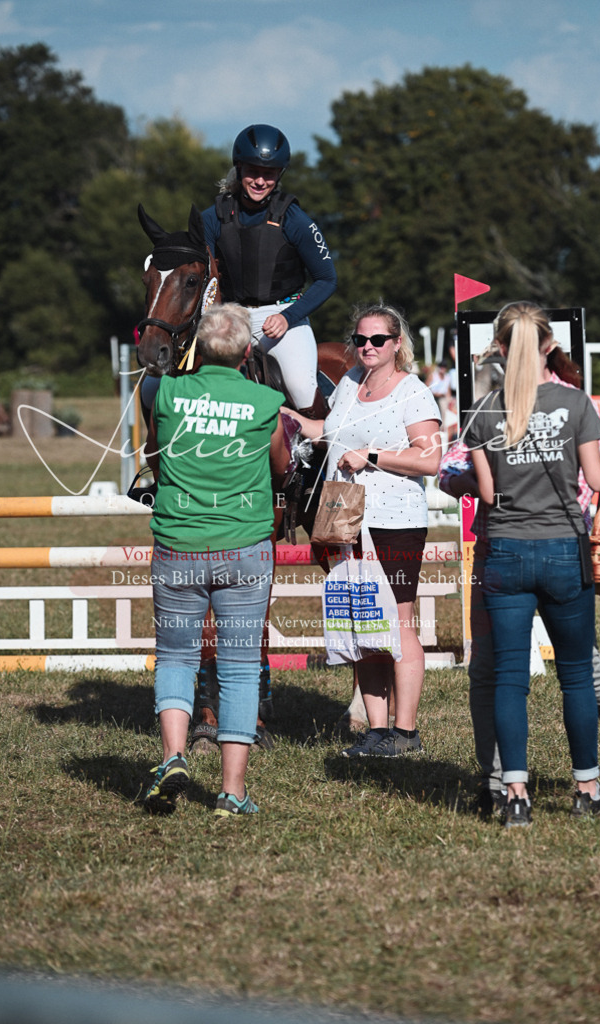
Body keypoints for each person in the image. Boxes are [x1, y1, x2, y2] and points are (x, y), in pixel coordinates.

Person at [463, 300, 600, 827]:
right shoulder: (574, 403)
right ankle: (588, 789)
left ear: (500, 347)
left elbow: (487, 493)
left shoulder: (484, 411)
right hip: (562, 550)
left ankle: (515, 794)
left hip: (506, 552)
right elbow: (595, 481)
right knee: (576, 676)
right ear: (549, 345)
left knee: (510, 678)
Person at [142, 303, 289, 817]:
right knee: (241, 668)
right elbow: (281, 466)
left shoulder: (167, 393)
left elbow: (155, 453)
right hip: (244, 547)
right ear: (247, 353)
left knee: (175, 658)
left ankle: (173, 757)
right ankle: (232, 791)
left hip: (179, 543)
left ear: (197, 350)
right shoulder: (266, 400)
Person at [439, 441, 600, 817]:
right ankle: (499, 785)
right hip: (515, 549)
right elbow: (449, 470)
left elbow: (583, 483)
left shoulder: (563, 410)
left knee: (576, 668)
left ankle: (511, 789)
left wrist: (494, 485)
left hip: (534, 548)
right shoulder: (494, 413)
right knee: (495, 669)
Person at [287, 303, 442, 757]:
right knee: (363, 623)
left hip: (395, 522)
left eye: (377, 339)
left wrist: (372, 456)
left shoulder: (413, 391)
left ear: (397, 343)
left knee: (399, 624)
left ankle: (405, 731)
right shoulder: (350, 383)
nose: (367, 347)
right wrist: (290, 418)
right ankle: (376, 731)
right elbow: (331, 432)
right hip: (346, 517)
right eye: (360, 339)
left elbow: (429, 459)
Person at [201, 124, 337, 417]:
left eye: (270, 173)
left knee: (301, 387)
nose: (260, 181)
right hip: (228, 317)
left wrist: (288, 317)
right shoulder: (213, 217)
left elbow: (327, 279)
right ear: (239, 167)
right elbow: (201, 277)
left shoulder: (295, 220)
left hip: (282, 318)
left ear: (280, 174)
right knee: (160, 385)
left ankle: (321, 443)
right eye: (253, 171)